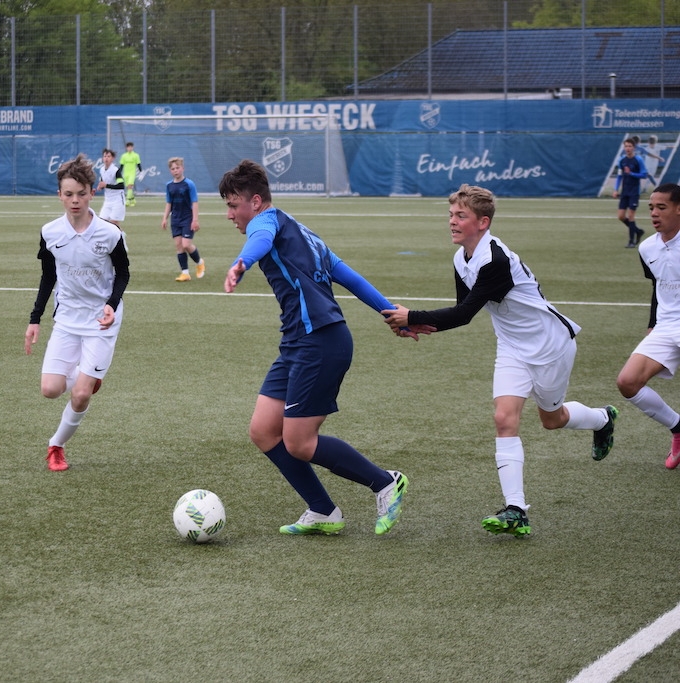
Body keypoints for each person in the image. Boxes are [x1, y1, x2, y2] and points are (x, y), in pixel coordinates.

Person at [382, 184, 617, 538]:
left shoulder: (495, 260)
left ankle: (602, 418)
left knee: (552, 420)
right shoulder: (461, 258)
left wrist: (411, 315)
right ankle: (516, 510)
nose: (452, 221)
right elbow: (462, 309)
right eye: (451, 215)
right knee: (504, 418)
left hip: (550, 345)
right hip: (511, 347)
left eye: (461, 216)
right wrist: (416, 324)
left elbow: (463, 314)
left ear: (483, 222)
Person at [219, 159, 409, 536]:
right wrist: (391, 313)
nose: (229, 215)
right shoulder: (305, 234)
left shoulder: (264, 222)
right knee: (263, 430)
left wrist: (241, 263)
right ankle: (323, 510)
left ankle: (386, 482)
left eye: (233, 205)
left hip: (320, 341)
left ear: (255, 202)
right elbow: (351, 278)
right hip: (298, 342)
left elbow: (260, 239)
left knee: (299, 442)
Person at [25, 153, 130, 472]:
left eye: (81, 194)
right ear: (59, 194)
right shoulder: (50, 232)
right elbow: (48, 276)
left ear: (91, 193)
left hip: (101, 321)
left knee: (81, 394)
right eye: (68, 194)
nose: (75, 200)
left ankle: (56, 445)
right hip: (67, 319)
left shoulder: (110, 234)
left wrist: (112, 305)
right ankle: (89, 375)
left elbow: (123, 273)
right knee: (50, 390)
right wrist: (34, 319)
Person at [616, 183, 680, 469]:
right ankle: (678, 427)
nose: (654, 213)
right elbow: (658, 284)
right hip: (667, 326)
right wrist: (653, 323)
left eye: (661, 207)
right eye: (651, 207)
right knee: (627, 382)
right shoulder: (647, 247)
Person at [161, 156, 205, 282]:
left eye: (177, 168)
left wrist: (195, 220)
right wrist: (164, 218)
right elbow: (169, 203)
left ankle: (200, 262)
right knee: (179, 245)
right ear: (170, 171)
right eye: (173, 169)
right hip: (175, 219)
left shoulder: (189, 184)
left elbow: (194, 202)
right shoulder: (169, 185)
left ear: (183, 168)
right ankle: (185, 273)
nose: (175, 170)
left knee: (186, 244)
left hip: (187, 218)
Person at [615, 138, 649, 248]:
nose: (628, 148)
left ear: (634, 147)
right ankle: (638, 231)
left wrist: (632, 174)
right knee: (621, 216)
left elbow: (644, 174)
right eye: (626, 146)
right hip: (625, 192)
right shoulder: (622, 160)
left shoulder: (638, 160)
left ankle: (631, 241)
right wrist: (616, 189)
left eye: (630, 146)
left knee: (630, 216)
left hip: (634, 192)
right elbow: (619, 176)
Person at [96, 148, 126, 227]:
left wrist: (106, 185)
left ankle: (120, 235)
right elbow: (103, 180)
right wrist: (100, 186)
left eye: (108, 156)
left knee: (114, 224)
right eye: (105, 156)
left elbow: (121, 185)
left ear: (112, 158)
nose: (106, 158)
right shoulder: (102, 170)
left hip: (117, 200)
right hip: (108, 200)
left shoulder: (116, 171)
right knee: (102, 222)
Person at [120, 142, 141, 206]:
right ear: (126, 148)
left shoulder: (136, 155)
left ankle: (128, 200)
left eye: (131, 147)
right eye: (128, 147)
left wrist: (140, 170)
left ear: (133, 147)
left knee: (130, 186)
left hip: (132, 173)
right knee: (128, 187)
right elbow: (121, 165)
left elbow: (138, 163)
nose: (130, 148)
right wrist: (119, 172)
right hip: (126, 174)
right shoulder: (124, 156)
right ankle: (133, 199)